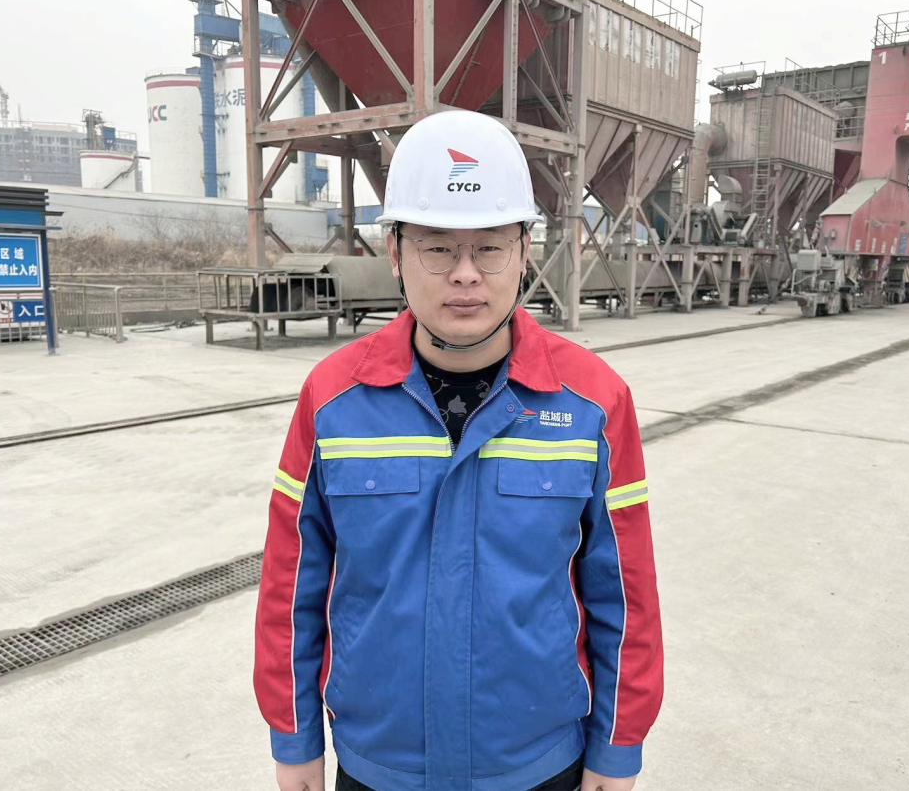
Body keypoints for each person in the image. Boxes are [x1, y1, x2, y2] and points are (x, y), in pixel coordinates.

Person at [255, 109, 663, 791]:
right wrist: (293, 737)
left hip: (537, 766)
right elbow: (291, 584)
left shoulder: (594, 404)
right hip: (380, 766)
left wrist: (617, 749)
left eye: (490, 249)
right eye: (438, 249)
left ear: (525, 251)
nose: (466, 275)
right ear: (394, 252)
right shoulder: (332, 401)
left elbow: (625, 593)